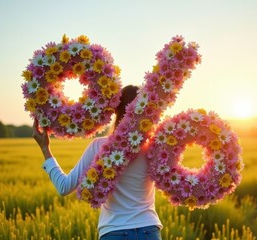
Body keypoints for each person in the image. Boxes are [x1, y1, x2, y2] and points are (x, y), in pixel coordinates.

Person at [33, 85, 163, 240]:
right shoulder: (154, 148)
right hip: (148, 230)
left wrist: (45, 149)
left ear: (116, 110)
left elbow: (64, 187)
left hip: (114, 231)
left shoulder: (98, 146)